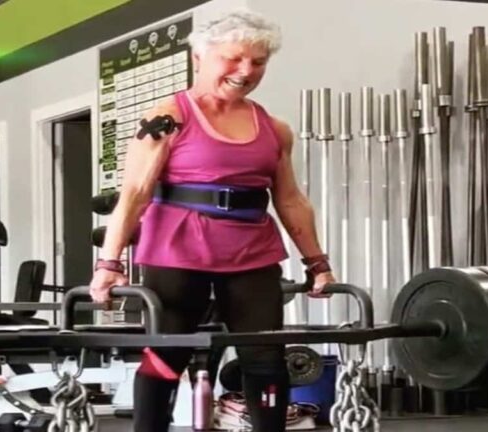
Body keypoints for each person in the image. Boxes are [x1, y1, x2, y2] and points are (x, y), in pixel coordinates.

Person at [89, 8, 336, 432]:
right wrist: (108, 264)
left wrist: (317, 262)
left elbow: (291, 200)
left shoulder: (274, 128)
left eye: (258, 62)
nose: (246, 71)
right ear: (200, 57)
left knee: (265, 355)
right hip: (177, 251)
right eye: (234, 58)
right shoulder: (168, 118)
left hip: (251, 253)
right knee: (167, 355)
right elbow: (134, 193)